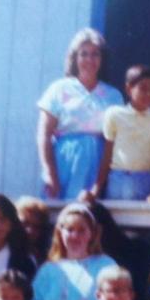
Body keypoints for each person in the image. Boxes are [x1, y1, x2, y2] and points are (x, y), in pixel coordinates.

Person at [37, 28, 124, 200]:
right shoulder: (59, 89)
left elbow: (115, 140)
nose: (89, 60)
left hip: (99, 162)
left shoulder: (114, 95)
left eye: (95, 54)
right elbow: (44, 135)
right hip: (65, 161)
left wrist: (101, 181)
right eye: (84, 54)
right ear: (75, 58)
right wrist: (49, 173)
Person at [86, 65, 150, 202]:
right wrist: (96, 188)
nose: (149, 94)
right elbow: (107, 155)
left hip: (145, 179)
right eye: (143, 89)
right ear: (129, 88)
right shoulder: (114, 114)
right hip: (117, 179)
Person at [15, 196, 52, 264]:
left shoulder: (46, 258)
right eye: (25, 223)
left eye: (36, 227)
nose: (30, 231)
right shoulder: (5, 254)